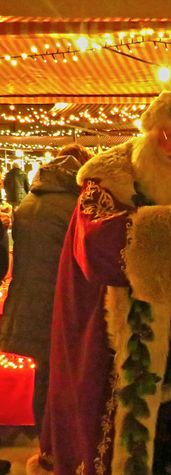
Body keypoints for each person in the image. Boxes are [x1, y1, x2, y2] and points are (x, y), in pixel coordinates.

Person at [27, 89, 171, 475]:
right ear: (153, 130)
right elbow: (95, 250)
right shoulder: (109, 180)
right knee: (121, 451)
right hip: (117, 353)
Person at [0, 143, 92, 434]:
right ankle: (61, 445)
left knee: (45, 377)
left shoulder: (31, 201)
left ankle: (46, 443)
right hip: (61, 307)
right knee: (67, 381)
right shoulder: (74, 207)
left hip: (29, 305)